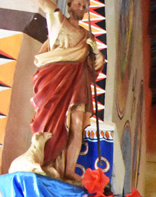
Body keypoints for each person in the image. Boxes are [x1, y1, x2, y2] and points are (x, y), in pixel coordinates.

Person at [30, 0, 105, 181]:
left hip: (78, 83)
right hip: (55, 82)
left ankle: (69, 170)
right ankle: (46, 161)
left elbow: (94, 66)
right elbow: (45, 4)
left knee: (77, 126)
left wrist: (96, 53)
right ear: (69, 5)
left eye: (85, 6)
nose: (82, 8)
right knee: (52, 122)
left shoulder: (88, 35)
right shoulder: (58, 21)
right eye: (79, 4)